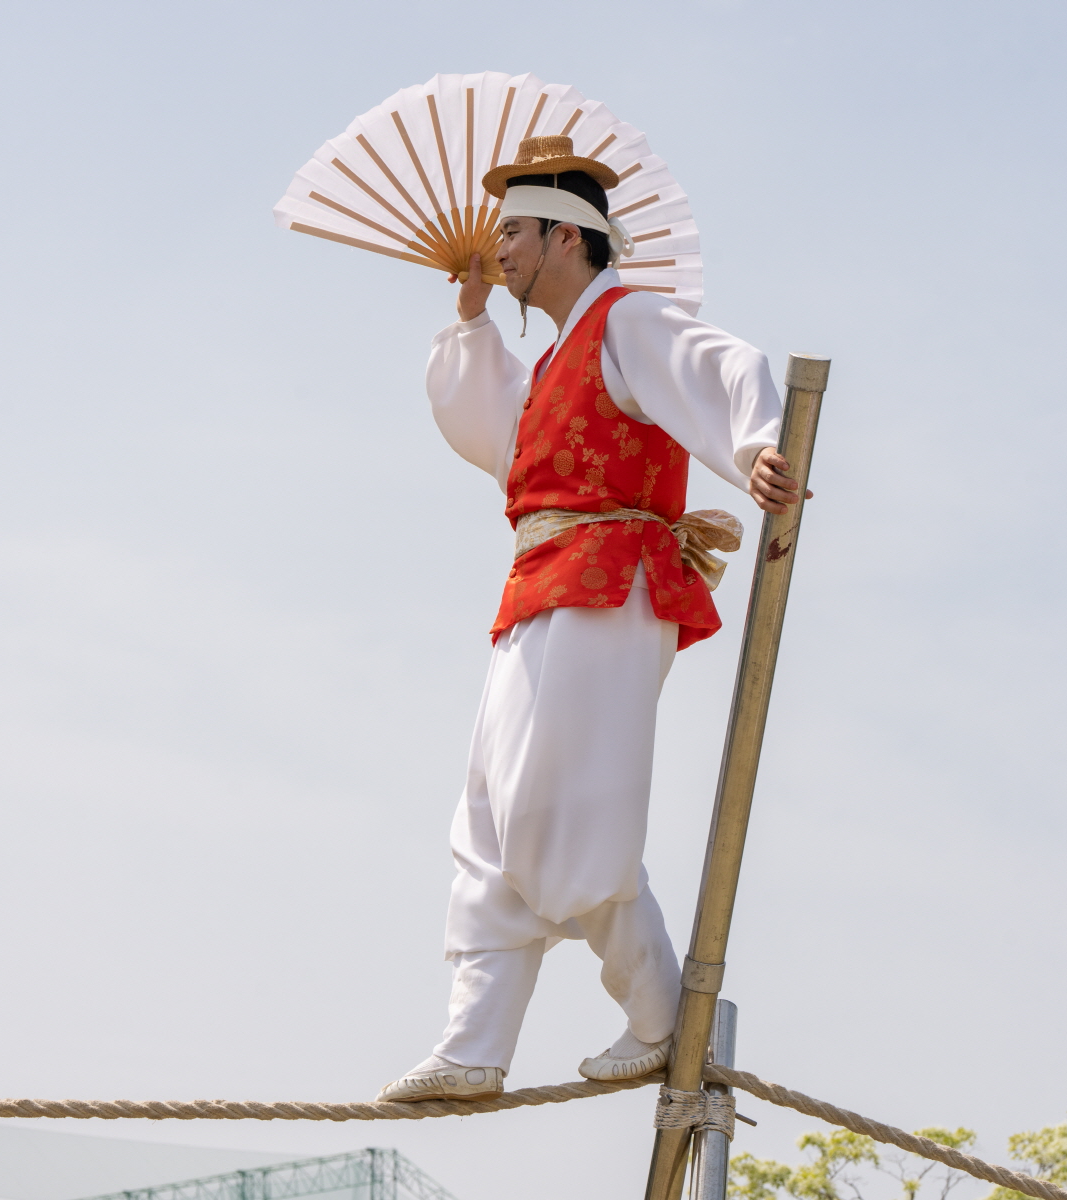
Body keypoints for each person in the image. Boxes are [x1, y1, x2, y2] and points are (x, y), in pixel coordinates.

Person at [375, 135, 810, 1103]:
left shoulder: (630, 318)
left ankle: (657, 1012)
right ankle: (474, 1048)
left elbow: (725, 366)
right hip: (540, 587)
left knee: (555, 810)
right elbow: (492, 435)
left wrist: (757, 449)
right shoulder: (554, 356)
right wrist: (471, 315)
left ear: (569, 238)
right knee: (490, 818)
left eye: (515, 236)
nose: (503, 253)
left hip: (613, 581)